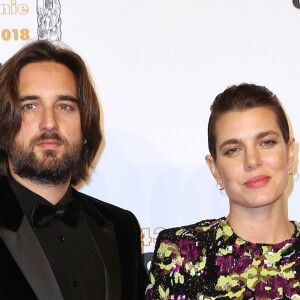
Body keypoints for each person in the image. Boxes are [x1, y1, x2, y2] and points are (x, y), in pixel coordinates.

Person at [0, 39, 147, 300]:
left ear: (85, 125)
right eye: (30, 106)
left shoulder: (122, 227)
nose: (49, 123)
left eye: (64, 106)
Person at [146, 83, 298, 299]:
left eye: (266, 142)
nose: (252, 161)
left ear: (290, 153)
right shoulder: (183, 252)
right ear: (215, 168)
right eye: (233, 150)